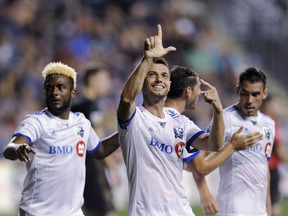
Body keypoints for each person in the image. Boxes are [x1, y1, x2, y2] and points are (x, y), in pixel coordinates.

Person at [117, 23, 239, 215]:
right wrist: (146, 60)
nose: (159, 79)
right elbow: (126, 98)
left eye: (164, 76)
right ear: (143, 82)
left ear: (169, 84)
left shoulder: (181, 123)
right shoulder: (134, 118)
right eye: (153, 75)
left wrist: (218, 110)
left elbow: (214, 144)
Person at [2, 62, 119, 216]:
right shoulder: (36, 122)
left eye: (60, 87)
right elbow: (10, 148)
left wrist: (125, 132)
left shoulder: (82, 122)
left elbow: (100, 150)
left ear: (73, 93)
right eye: (49, 88)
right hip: (37, 213)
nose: (54, 92)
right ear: (44, 92)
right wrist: (18, 149)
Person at [164, 65, 263, 215]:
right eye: (199, 88)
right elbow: (201, 167)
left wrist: (217, 110)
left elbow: (212, 146)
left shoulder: (178, 121)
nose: (201, 93)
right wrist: (233, 146)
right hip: (164, 206)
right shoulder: (174, 124)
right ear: (188, 91)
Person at [214, 67, 275, 216]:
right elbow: (202, 160)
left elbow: (264, 168)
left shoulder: (269, 124)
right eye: (245, 94)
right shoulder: (225, 119)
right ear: (237, 91)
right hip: (232, 209)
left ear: (264, 94)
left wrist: (268, 208)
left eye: (255, 94)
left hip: (259, 211)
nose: (249, 100)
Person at [71, 64, 117, 216]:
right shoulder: (90, 106)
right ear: (91, 80)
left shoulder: (74, 104)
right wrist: (112, 168)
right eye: (103, 79)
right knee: (107, 211)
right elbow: (99, 140)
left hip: (76, 168)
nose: (107, 84)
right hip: (92, 166)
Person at [261, 95, 288, 216]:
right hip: (270, 170)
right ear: (268, 105)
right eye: (275, 104)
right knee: (273, 205)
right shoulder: (270, 124)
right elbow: (279, 150)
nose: (278, 108)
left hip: (260, 169)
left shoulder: (259, 121)